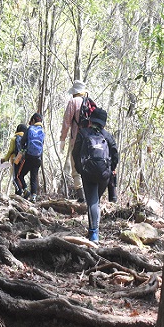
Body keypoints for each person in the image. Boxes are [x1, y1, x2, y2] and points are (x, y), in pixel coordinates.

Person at [72, 107, 118, 244]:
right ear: (104, 122)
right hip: (104, 174)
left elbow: (75, 153)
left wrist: (80, 170)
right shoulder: (108, 136)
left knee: (93, 201)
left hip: (88, 173)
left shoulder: (83, 133)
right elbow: (115, 156)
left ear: (91, 120)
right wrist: (110, 170)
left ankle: (94, 234)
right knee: (95, 200)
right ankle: (93, 231)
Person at [60, 79, 90, 202]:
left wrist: (62, 139)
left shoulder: (73, 102)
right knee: (88, 168)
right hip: (91, 142)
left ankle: (81, 196)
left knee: (76, 169)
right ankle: (90, 195)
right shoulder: (89, 102)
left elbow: (67, 122)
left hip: (76, 140)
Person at [17, 113, 44, 202]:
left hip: (29, 157)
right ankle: (34, 197)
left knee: (20, 175)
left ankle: (25, 190)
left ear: (33, 121)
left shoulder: (30, 129)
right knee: (34, 176)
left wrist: (23, 149)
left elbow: (22, 141)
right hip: (38, 158)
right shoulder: (42, 131)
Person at [1, 123, 28, 195]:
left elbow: (10, 151)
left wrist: (5, 159)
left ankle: (19, 192)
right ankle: (23, 190)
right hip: (25, 160)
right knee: (20, 176)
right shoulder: (27, 138)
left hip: (16, 159)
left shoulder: (14, 138)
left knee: (15, 178)